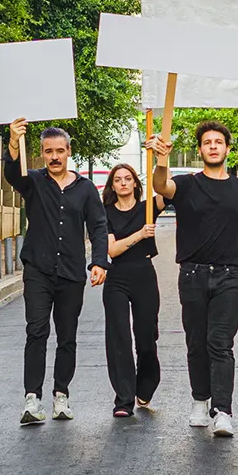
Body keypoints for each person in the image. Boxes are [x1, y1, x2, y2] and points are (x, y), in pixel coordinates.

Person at [146, 121, 238, 437]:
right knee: (196, 343)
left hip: (231, 276)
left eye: (219, 141)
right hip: (192, 274)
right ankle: (200, 400)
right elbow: (161, 188)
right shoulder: (186, 184)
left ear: (227, 149)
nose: (213, 146)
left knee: (220, 343)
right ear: (201, 149)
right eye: (207, 142)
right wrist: (161, 158)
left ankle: (223, 411)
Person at [4, 119, 109, 424]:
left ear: (68, 151)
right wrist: (13, 142)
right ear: (41, 153)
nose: (54, 157)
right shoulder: (33, 181)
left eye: (59, 151)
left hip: (71, 272)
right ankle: (31, 399)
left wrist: (99, 261)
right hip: (38, 269)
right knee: (36, 331)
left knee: (67, 337)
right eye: (48, 151)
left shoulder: (86, 189)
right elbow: (13, 174)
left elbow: (99, 226)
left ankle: (61, 396)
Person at [102, 164, 167, 417]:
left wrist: (162, 159)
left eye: (128, 179)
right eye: (118, 180)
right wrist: (140, 234)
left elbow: (166, 190)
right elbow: (113, 250)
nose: (123, 183)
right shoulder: (105, 213)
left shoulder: (148, 208)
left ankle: (146, 386)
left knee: (146, 337)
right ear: (112, 186)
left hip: (144, 275)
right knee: (119, 336)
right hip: (117, 276)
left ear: (135, 184)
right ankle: (123, 399)